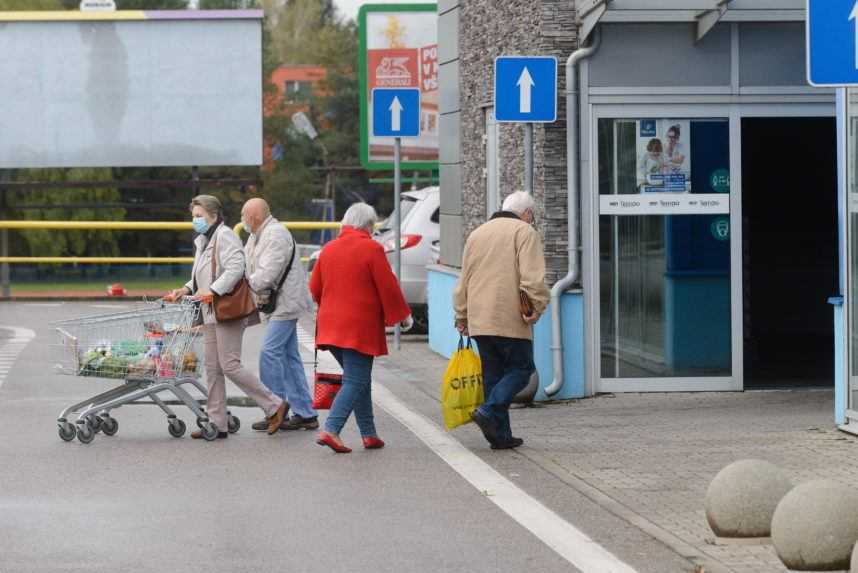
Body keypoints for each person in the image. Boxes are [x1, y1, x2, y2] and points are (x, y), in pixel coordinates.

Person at [168, 195, 288, 439]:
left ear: (213, 215)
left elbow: (236, 268)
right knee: (212, 368)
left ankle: (274, 405)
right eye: (193, 216)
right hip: (210, 310)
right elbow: (202, 274)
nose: (195, 220)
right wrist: (186, 289)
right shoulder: (204, 239)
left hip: (227, 309)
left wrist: (212, 291)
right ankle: (217, 422)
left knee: (229, 365)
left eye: (199, 216)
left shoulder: (225, 236)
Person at [309, 202, 413, 453]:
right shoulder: (371, 249)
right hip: (358, 328)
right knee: (356, 379)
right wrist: (403, 316)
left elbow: (314, 289)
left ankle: (369, 433)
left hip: (330, 326)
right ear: (369, 225)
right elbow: (387, 286)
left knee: (359, 379)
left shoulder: (329, 249)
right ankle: (331, 429)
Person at [453, 191, 550, 450]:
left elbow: (464, 280)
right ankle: (488, 410)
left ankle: (501, 437)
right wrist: (537, 307)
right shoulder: (524, 232)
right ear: (527, 213)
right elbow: (532, 279)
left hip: (479, 318)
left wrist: (461, 314)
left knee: (493, 378)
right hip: (509, 317)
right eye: (533, 216)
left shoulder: (477, 234)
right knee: (521, 370)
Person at [241, 198, 319, 432]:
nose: (242, 219)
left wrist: (243, 283)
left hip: (286, 304)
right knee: (288, 356)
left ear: (254, 217)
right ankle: (305, 413)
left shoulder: (275, 235)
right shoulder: (256, 236)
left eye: (244, 215)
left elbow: (266, 275)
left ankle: (274, 409)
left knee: (270, 352)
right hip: (279, 304)